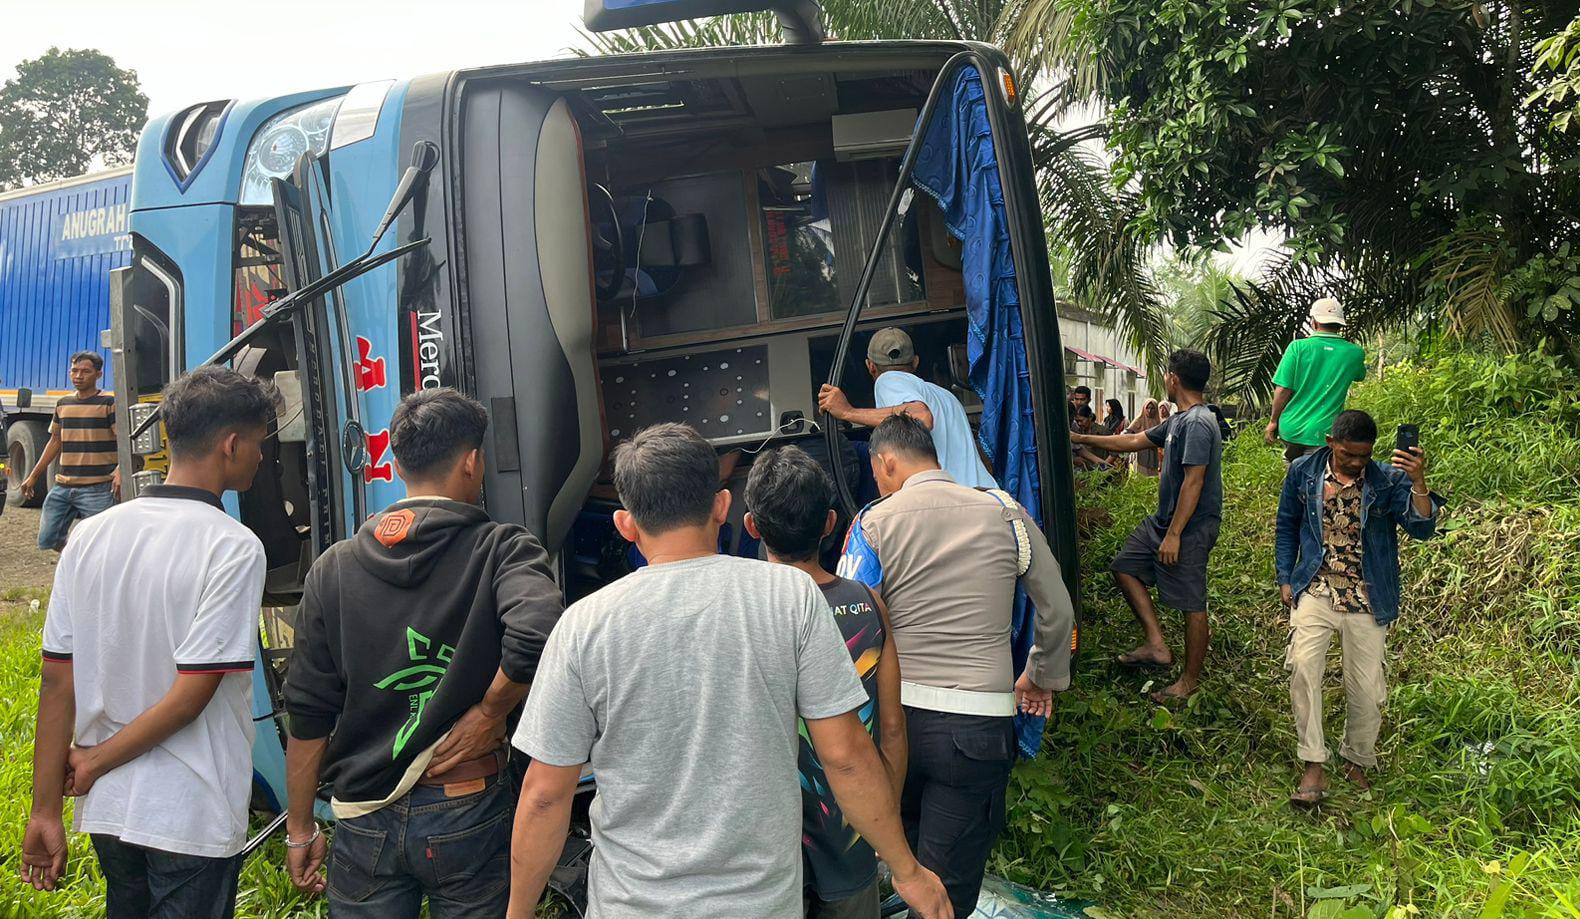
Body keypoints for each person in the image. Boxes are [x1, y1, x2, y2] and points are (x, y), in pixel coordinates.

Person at [505, 423, 951, 919]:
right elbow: (846, 757)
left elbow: (545, 795)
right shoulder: (789, 598)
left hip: (633, 906)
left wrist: (518, 912)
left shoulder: (583, 626)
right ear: (721, 506)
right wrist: (907, 870)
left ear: (626, 525)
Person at [281, 388, 563, 917]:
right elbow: (539, 632)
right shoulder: (504, 548)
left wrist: (300, 829)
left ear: (393, 460)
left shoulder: (334, 566)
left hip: (362, 816)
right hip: (466, 801)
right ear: (473, 461)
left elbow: (309, 709)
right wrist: (490, 710)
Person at [21, 367, 274, 917]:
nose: (260, 456)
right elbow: (193, 692)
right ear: (231, 445)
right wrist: (89, 765)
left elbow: (56, 677)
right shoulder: (232, 546)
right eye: (258, 443)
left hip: (111, 811)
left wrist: (45, 810)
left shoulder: (91, 534)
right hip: (190, 809)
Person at [838, 414, 1076, 918]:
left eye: (878, 475)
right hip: (979, 731)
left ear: (885, 461)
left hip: (895, 726)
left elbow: (849, 622)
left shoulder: (871, 523)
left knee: (907, 869)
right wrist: (1039, 674)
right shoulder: (1006, 513)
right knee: (946, 895)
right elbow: (1057, 608)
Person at [743, 446, 907, 919]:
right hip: (852, 832)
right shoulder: (868, 603)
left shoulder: (739, 611)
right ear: (831, 523)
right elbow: (892, 729)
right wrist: (884, 823)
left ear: (752, 526)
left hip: (765, 846)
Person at [1275, 410, 1441, 806]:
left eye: (1364, 457)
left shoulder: (1388, 479)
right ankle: (1313, 761)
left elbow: (1421, 529)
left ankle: (1356, 759)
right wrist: (1285, 576)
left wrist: (1418, 481)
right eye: (1349, 454)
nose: (1356, 463)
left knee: (1367, 689)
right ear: (1331, 442)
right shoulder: (1303, 471)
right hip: (1316, 587)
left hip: (1369, 595)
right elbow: (1287, 524)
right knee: (1303, 668)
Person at [1070, 350, 1223, 704]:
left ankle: (1189, 682)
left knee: (1192, 602)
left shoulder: (1199, 423)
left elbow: (1194, 482)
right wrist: (1083, 439)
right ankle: (1157, 646)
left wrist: (1174, 535)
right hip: (1165, 520)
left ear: (1173, 379)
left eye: (1166, 376)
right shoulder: (1178, 421)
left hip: (1190, 526)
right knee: (1125, 567)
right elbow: (1134, 441)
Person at [816, 326, 998, 489]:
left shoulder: (889, 379)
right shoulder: (945, 396)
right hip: (985, 498)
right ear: (915, 362)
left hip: (955, 504)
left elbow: (921, 417)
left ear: (870, 366)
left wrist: (848, 412)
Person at [20, 351, 121, 551]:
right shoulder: (63, 404)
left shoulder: (109, 404)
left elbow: (124, 441)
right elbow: (55, 441)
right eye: (74, 371)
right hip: (63, 486)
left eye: (85, 371)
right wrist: (33, 475)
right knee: (47, 539)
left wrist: (120, 471)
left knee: (102, 542)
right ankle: (75, 562)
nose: (78, 376)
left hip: (98, 488)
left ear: (98, 375)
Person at [1265, 298, 1367, 463]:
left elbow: (1283, 389)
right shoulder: (1355, 353)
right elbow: (1359, 375)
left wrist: (1273, 421)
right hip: (1325, 431)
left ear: (1314, 322)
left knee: (1295, 474)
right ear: (1340, 324)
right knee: (1317, 478)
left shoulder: (1297, 347)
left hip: (1292, 428)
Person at [1124, 400, 1162, 477]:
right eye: (1147, 408)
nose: (1150, 411)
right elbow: (1128, 432)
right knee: (1141, 477)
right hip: (1142, 454)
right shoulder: (1139, 420)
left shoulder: (1158, 421)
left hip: (1154, 455)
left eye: (1152, 408)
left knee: (1152, 478)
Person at [1071, 405, 1114, 472]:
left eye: (1081, 420)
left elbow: (1113, 454)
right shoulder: (1076, 432)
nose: (1079, 423)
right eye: (1077, 421)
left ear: (1090, 417)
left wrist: (1104, 468)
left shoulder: (1103, 431)